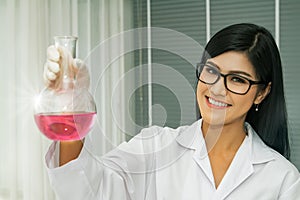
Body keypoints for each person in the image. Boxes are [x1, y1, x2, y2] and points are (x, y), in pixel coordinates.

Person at [44, 23, 300, 199]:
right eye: (211, 71)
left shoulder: (282, 179)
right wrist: (72, 105)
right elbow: (88, 190)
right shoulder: (155, 146)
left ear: (262, 92)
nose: (218, 89)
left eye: (237, 80)